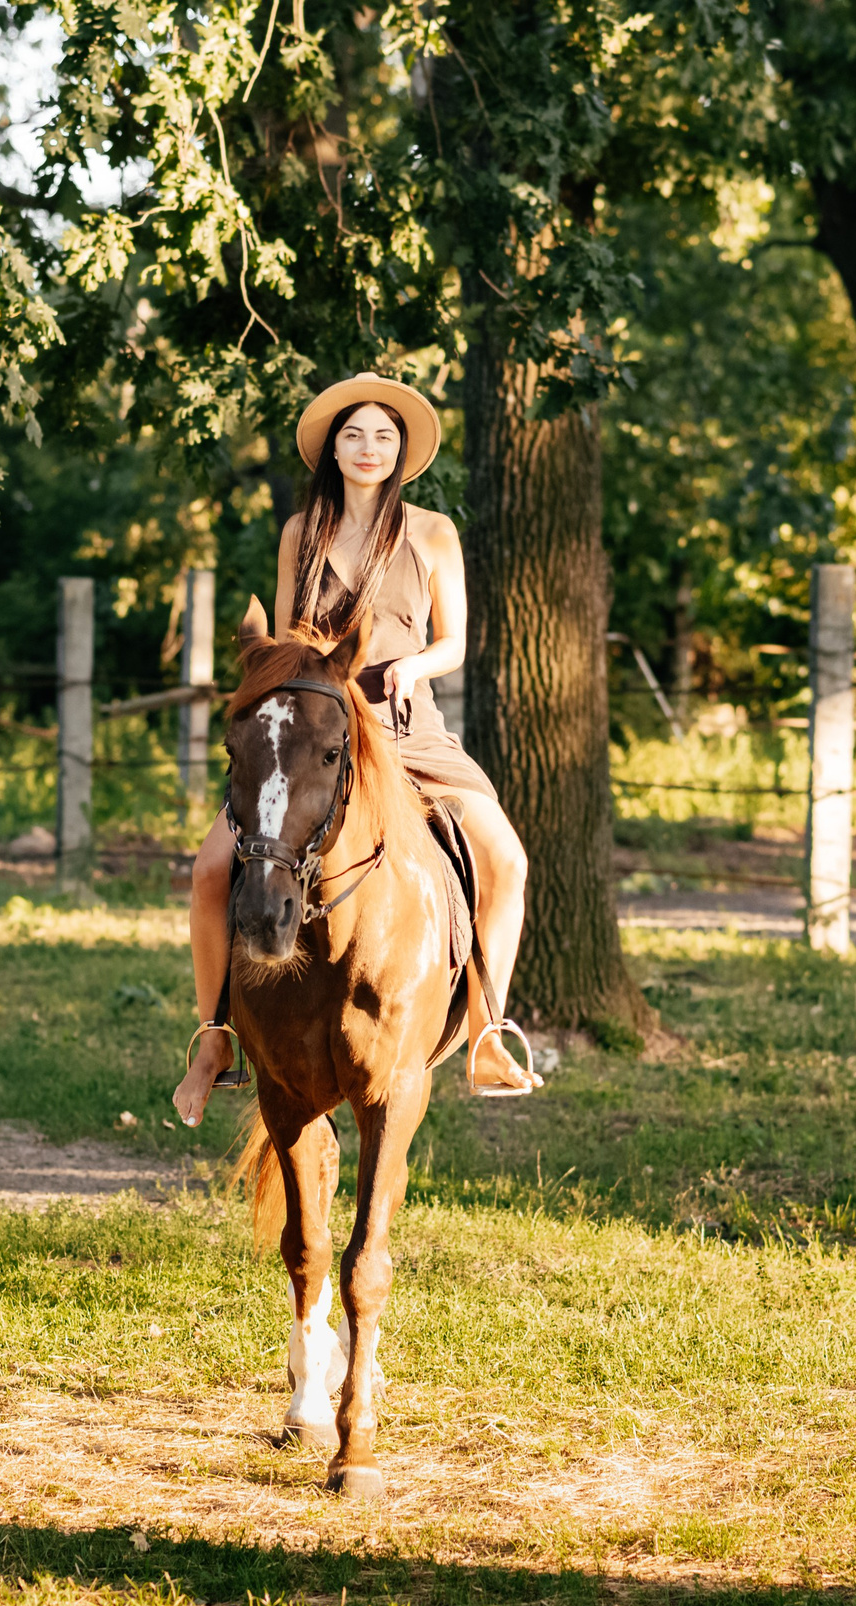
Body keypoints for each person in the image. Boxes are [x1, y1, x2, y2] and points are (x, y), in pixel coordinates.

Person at [171, 372, 543, 1127]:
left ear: (401, 449)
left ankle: (486, 1028)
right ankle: (213, 1035)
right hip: (315, 735)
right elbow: (284, 647)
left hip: (409, 731)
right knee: (213, 866)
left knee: (507, 858)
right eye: (353, 435)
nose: (368, 448)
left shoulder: (433, 532)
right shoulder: (300, 532)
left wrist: (413, 663)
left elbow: (456, 642)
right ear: (332, 451)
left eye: (382, 436)